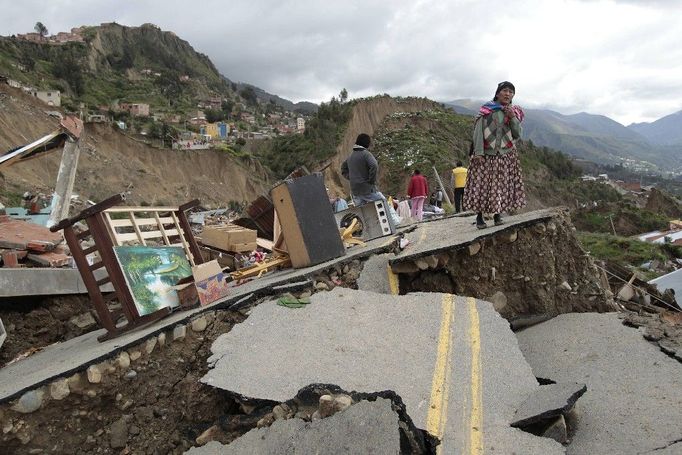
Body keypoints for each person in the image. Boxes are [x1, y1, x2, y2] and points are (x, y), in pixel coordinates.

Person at [464, 81, 526, 229]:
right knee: (482, 186)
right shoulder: (486, 110)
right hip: (485, 155)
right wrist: (478, 153)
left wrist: (512, 118)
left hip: (506, 155)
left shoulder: (514, 112)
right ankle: (480, 217)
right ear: (498, 93)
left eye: (511, 92)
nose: (508, 94)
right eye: (505, 90)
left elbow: (518, 134)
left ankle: (498, 215)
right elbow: (478, 132)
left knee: (501, 186)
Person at [341, 133, 386, 207]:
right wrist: (371, 180)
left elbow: (343, 169)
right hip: (367, 189)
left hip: (355, 190)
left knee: (363, 213)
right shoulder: (366, 154)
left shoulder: (350, 157)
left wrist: (352, 178)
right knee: (383, 204)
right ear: (366, 143)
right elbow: (374, 165)